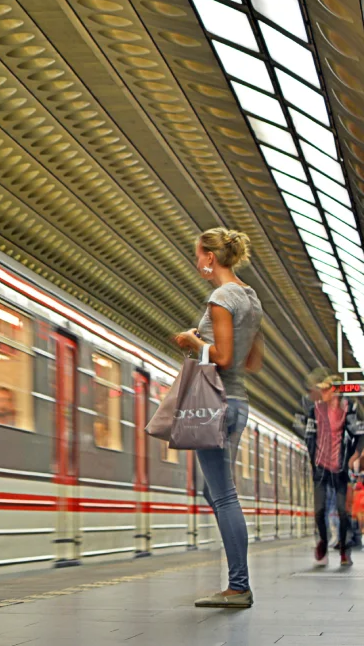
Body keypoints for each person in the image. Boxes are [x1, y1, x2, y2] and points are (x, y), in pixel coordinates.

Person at [171, 228, 264, 609]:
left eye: (198, 255)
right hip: (237, 401)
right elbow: (252, 362)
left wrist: (193, 342)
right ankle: (237, 580)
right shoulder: (251, 299)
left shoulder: (221, 298)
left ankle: (238, 586)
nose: (197, 263)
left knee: (223, 495)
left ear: (211, 257)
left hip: (216, 403)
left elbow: (223, 359)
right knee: (215, 491)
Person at [303, 375, 363, 566]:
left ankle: (344, 548)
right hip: (320, 468)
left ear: (335, 391)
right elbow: (309, 437)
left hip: (339, 468)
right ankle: (322, 541)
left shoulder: (349, 410)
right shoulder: (315, 411)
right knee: (319, 510)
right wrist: (313, 459)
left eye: (326, 389)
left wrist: (355, 455)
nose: (322, 393)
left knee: (342, 511)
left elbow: (360, 434)